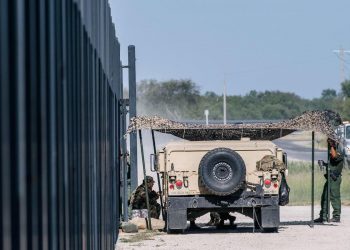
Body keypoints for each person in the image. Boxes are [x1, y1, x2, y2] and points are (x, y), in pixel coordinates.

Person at [314, 138, 344, 223]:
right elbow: (331, 164)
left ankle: (336, 216)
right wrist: (323, 164)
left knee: (334, 197)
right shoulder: (333, 150)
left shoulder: (339, 151)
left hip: (335, 178)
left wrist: (332, 145)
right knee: (325, 197)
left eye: (330, 142)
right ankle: (323, 216)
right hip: (330, 178)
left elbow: (335, 157)